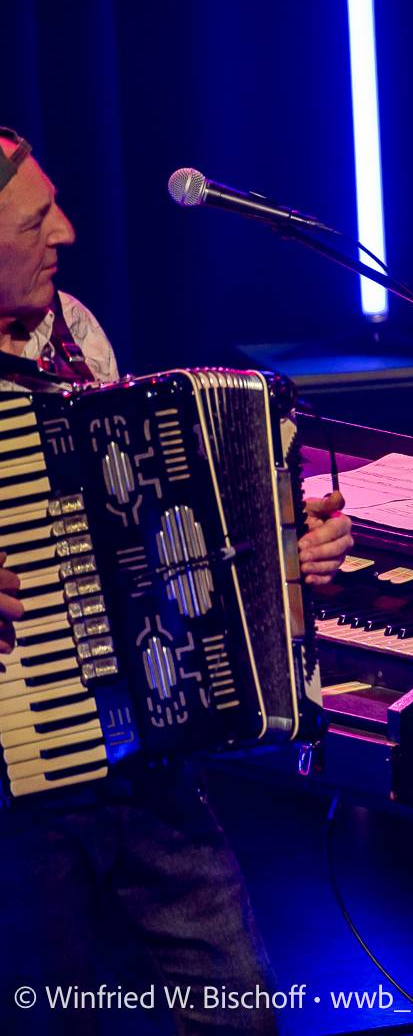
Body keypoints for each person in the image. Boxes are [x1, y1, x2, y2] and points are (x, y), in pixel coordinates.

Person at [0, 127, 355, 1035]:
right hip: (17, 792)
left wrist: (282, 554)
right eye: (36, 220)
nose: (67, 232)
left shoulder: (72, 330)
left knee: (237, 1013)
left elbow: (143, 542)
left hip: (142, 760)